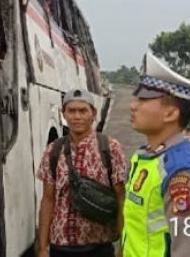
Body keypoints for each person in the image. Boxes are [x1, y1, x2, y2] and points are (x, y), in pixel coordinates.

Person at [122, 53, 190, 257]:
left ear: (171, 114)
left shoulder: (181, 172)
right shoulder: (148, 157)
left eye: (143, 99)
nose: (133, 105)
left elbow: (188, 251)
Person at [37, 89, 127, 257]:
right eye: (71, 111)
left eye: (83, 111)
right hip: (61, 246)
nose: (77, 116)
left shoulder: (110, 148)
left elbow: (121, 198)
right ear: (63, 114)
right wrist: (42, 248)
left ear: (93, 113)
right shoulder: (53, 151)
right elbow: (48, 199)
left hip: (99, 246)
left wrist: (123, 245)